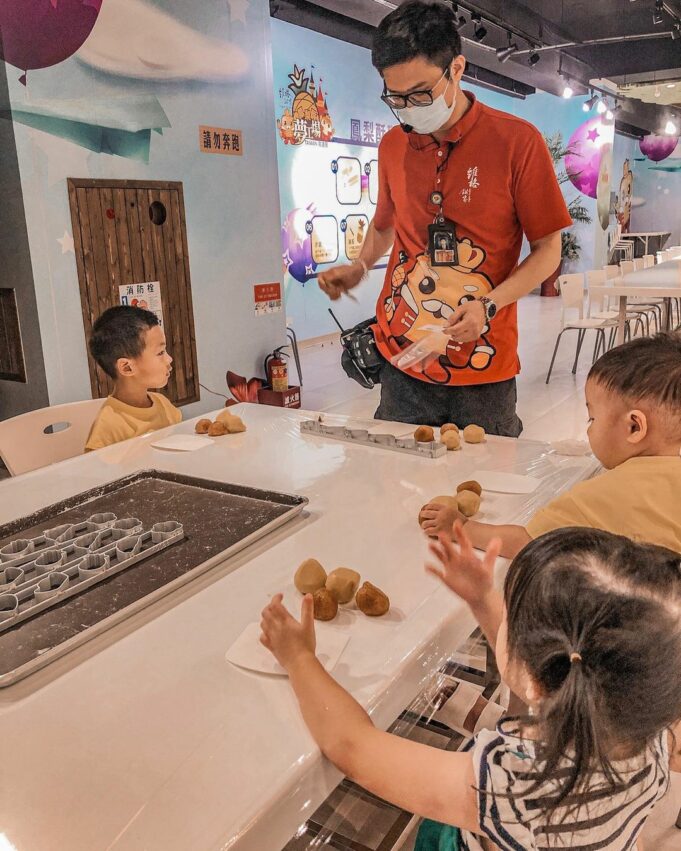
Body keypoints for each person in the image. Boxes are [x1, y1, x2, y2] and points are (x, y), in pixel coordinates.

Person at [260, 525, 681, 850]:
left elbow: (353, 747)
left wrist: (299, 658)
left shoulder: (511, 781)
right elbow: (544, 669)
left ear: (536, 680)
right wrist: (483, 598)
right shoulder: (649, 730)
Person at [318, 0, 572, 434]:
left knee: (483, 485)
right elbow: (384, 225)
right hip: (403, 354)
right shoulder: (393, 145)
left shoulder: (516, 142)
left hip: (482, 362)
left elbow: (549, 250)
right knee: (399, 480)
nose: (407, 108)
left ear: (457, 69)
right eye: (394, 97)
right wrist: (360, 266)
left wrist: (489, 305)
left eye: (419, 94)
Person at [421, 333, 681, 556]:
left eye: (593, 418)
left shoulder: (602, 494)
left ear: (634, 427)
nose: (588, 427)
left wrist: (461, 528)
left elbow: (529, 542)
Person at [85, 306, 181, 452]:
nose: (169, 359)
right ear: (127, 368)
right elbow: (98, 471)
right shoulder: (109, 424)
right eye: (160, 352)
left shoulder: (162, 403)